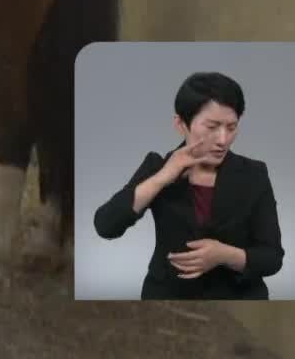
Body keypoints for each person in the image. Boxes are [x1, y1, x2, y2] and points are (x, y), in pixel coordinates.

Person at [90, 70, 284, 300]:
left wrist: (225, 255)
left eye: (231, 128)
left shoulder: (254, 174)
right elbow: (105, 225)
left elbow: (272, 257)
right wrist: (163, 178)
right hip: (168, 298)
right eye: (212, 127)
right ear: (181, 124)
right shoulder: (157, 167)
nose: (223, 140)